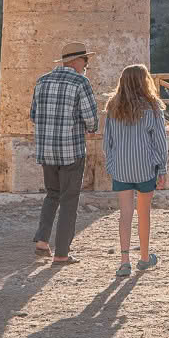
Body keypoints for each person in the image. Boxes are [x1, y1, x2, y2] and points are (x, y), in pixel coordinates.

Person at [29, 41, 99, 266]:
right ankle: (61, 253)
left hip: (46, 150)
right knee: (69, 201)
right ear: (76, 61)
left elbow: (33, 114)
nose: (86, 66)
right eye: (86, 61)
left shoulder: (42, 81)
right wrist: (91, 128)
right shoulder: (80, 82)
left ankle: (42, 241)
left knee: (52, 194)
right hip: (71, 150)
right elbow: (90, 117)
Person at [103, 63, 169, 278]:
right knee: (143, 213)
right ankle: (144, 257)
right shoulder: (152, 107)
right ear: (144, 81)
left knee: (125, 214)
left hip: (121, 168)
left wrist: (111, 165)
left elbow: (108, 142)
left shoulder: (112, 107)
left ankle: (124, 261)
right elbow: (160, 141)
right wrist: (162, 168)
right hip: (145, 168)